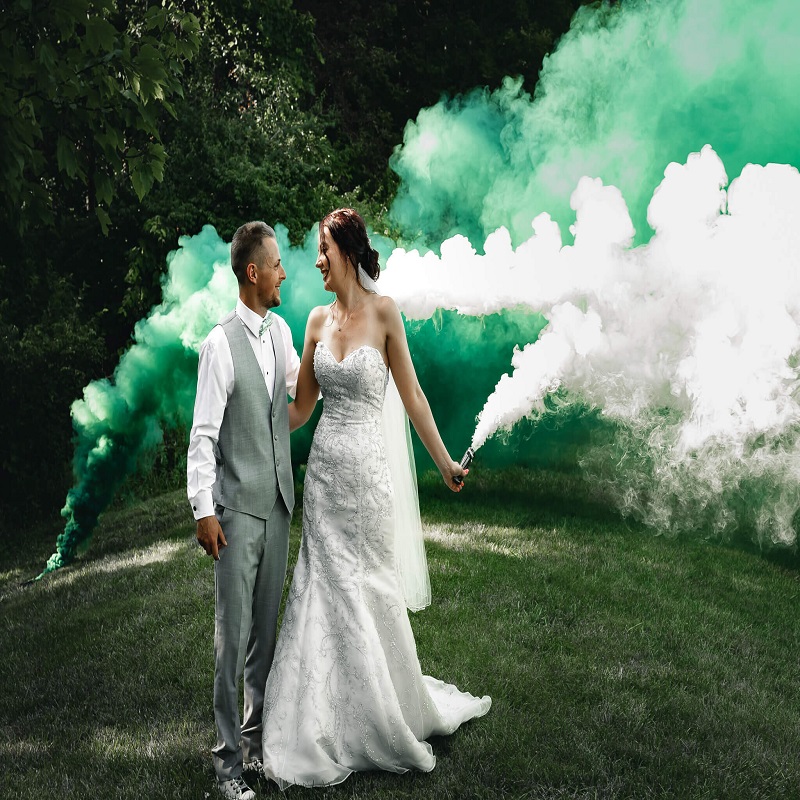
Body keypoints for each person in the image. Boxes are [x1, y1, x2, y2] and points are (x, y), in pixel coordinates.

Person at [260, 208, 491, 788]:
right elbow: (301, 409)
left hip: (368, 482)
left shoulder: (385, 313)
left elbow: (413, 398)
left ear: (346, 250)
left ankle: (385, 712)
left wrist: (445, 463)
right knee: (320, 588)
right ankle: (318, 719)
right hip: (324, 481)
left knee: (370, 590)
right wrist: (252, 424)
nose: (317, 260)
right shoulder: (315, 321)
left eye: (323, 249)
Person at [187, 221, 301, 800]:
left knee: (264, 639)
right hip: (234, 513)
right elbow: (203, 436)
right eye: (276, 264)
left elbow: (301, 393)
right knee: (230, 643)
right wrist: (204, 511)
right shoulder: (219, 344)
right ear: (253, 272)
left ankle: (255, 751)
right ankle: (227, 766)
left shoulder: (282, 332)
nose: (284, 273)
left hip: (279, 507)